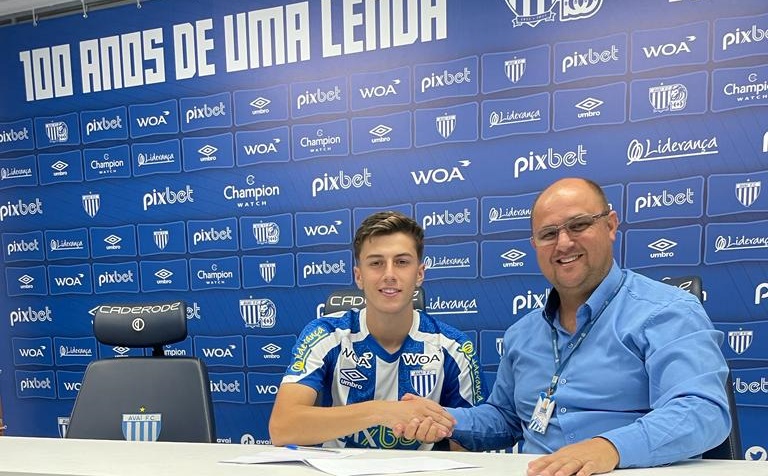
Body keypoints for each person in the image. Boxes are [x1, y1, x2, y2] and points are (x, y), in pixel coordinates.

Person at [397, 178, 731, 474]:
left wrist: (609, 449)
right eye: (548, 234)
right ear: (535, 247)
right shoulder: (520, 335)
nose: (564, 243)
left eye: (579, 225)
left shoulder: (667, 311)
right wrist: (444, 419)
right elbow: (505, 418)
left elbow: (702, 411)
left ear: (611, 226)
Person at [269, 210, 486, 450]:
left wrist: (442, 430)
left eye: (402, 262)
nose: (389, 274)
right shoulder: (326, 335)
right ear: (359, 276)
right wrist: (385, 412)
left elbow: (473, 445)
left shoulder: (454, 347)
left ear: (420, 273)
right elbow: (282, 428)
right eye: (376, 263)